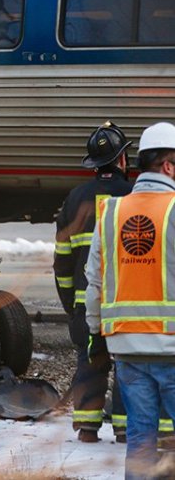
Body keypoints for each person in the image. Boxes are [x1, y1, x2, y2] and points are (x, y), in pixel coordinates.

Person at [86, 121, 175, 479]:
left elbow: (94, 281)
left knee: (139, 438)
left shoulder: (109, 213)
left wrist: (95, 332)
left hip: (126, 348)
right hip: (172, 346)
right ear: (169, 166)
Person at [54, 121, 133, 443]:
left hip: (84, 302)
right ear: (122, 160)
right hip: (126, 302)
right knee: (128, 368)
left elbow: (62, 262)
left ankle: (87, 428)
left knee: (89, 362)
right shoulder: (132, 196)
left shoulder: (75, 198)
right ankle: (126, 429)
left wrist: (71, 304)